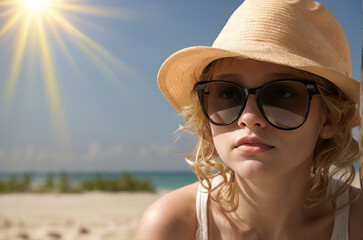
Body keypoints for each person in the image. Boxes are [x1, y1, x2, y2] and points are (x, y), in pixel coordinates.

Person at [135, 0, 363, 239]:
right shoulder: (172, 225)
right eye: (228, 94)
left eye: (281, 93)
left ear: (329, 120)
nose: (249, 118)